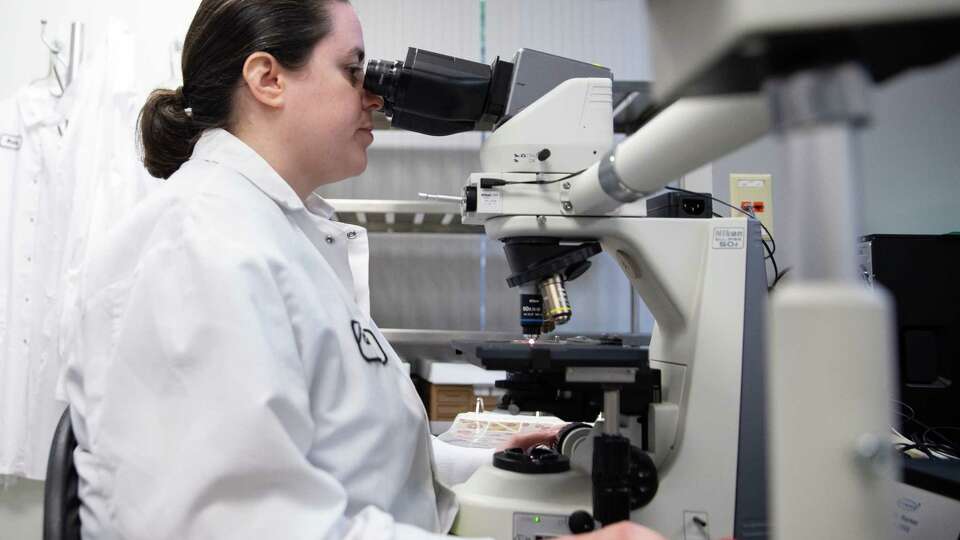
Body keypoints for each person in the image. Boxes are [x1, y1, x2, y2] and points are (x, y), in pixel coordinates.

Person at [62, 1, 667, 539]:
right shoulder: (197, 249)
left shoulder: (283, 235)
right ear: (268, 78)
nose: (374, 97)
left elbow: (349, 459)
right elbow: (243, 524)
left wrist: (486, 456)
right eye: (353, 70)